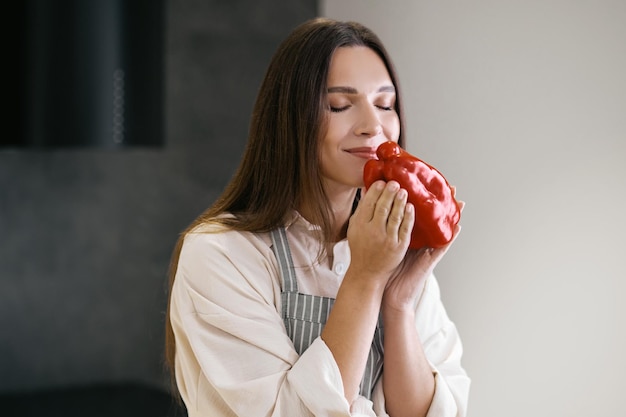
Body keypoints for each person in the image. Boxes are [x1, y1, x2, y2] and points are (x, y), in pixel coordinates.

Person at [165, 17, 470, 417]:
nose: (372, 126)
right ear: (291, 119)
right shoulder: (220, 254)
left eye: (385, 104)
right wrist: (363, 278)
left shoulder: (391, 249)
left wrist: (398, 303)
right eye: (340, 105)